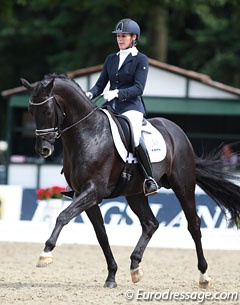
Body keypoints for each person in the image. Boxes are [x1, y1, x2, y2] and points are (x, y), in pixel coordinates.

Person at [85, 18, 160, 196]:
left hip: (132, 107)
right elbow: (100, 85)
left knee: (134, 137)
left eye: (124, 36)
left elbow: (138, 88)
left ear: (134, 37)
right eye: (118, 36)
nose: (120, 39)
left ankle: (149, 179)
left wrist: (117, 93)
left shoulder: (141, 59)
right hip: (112, 106)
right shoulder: (111, 59)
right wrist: (88, 94)